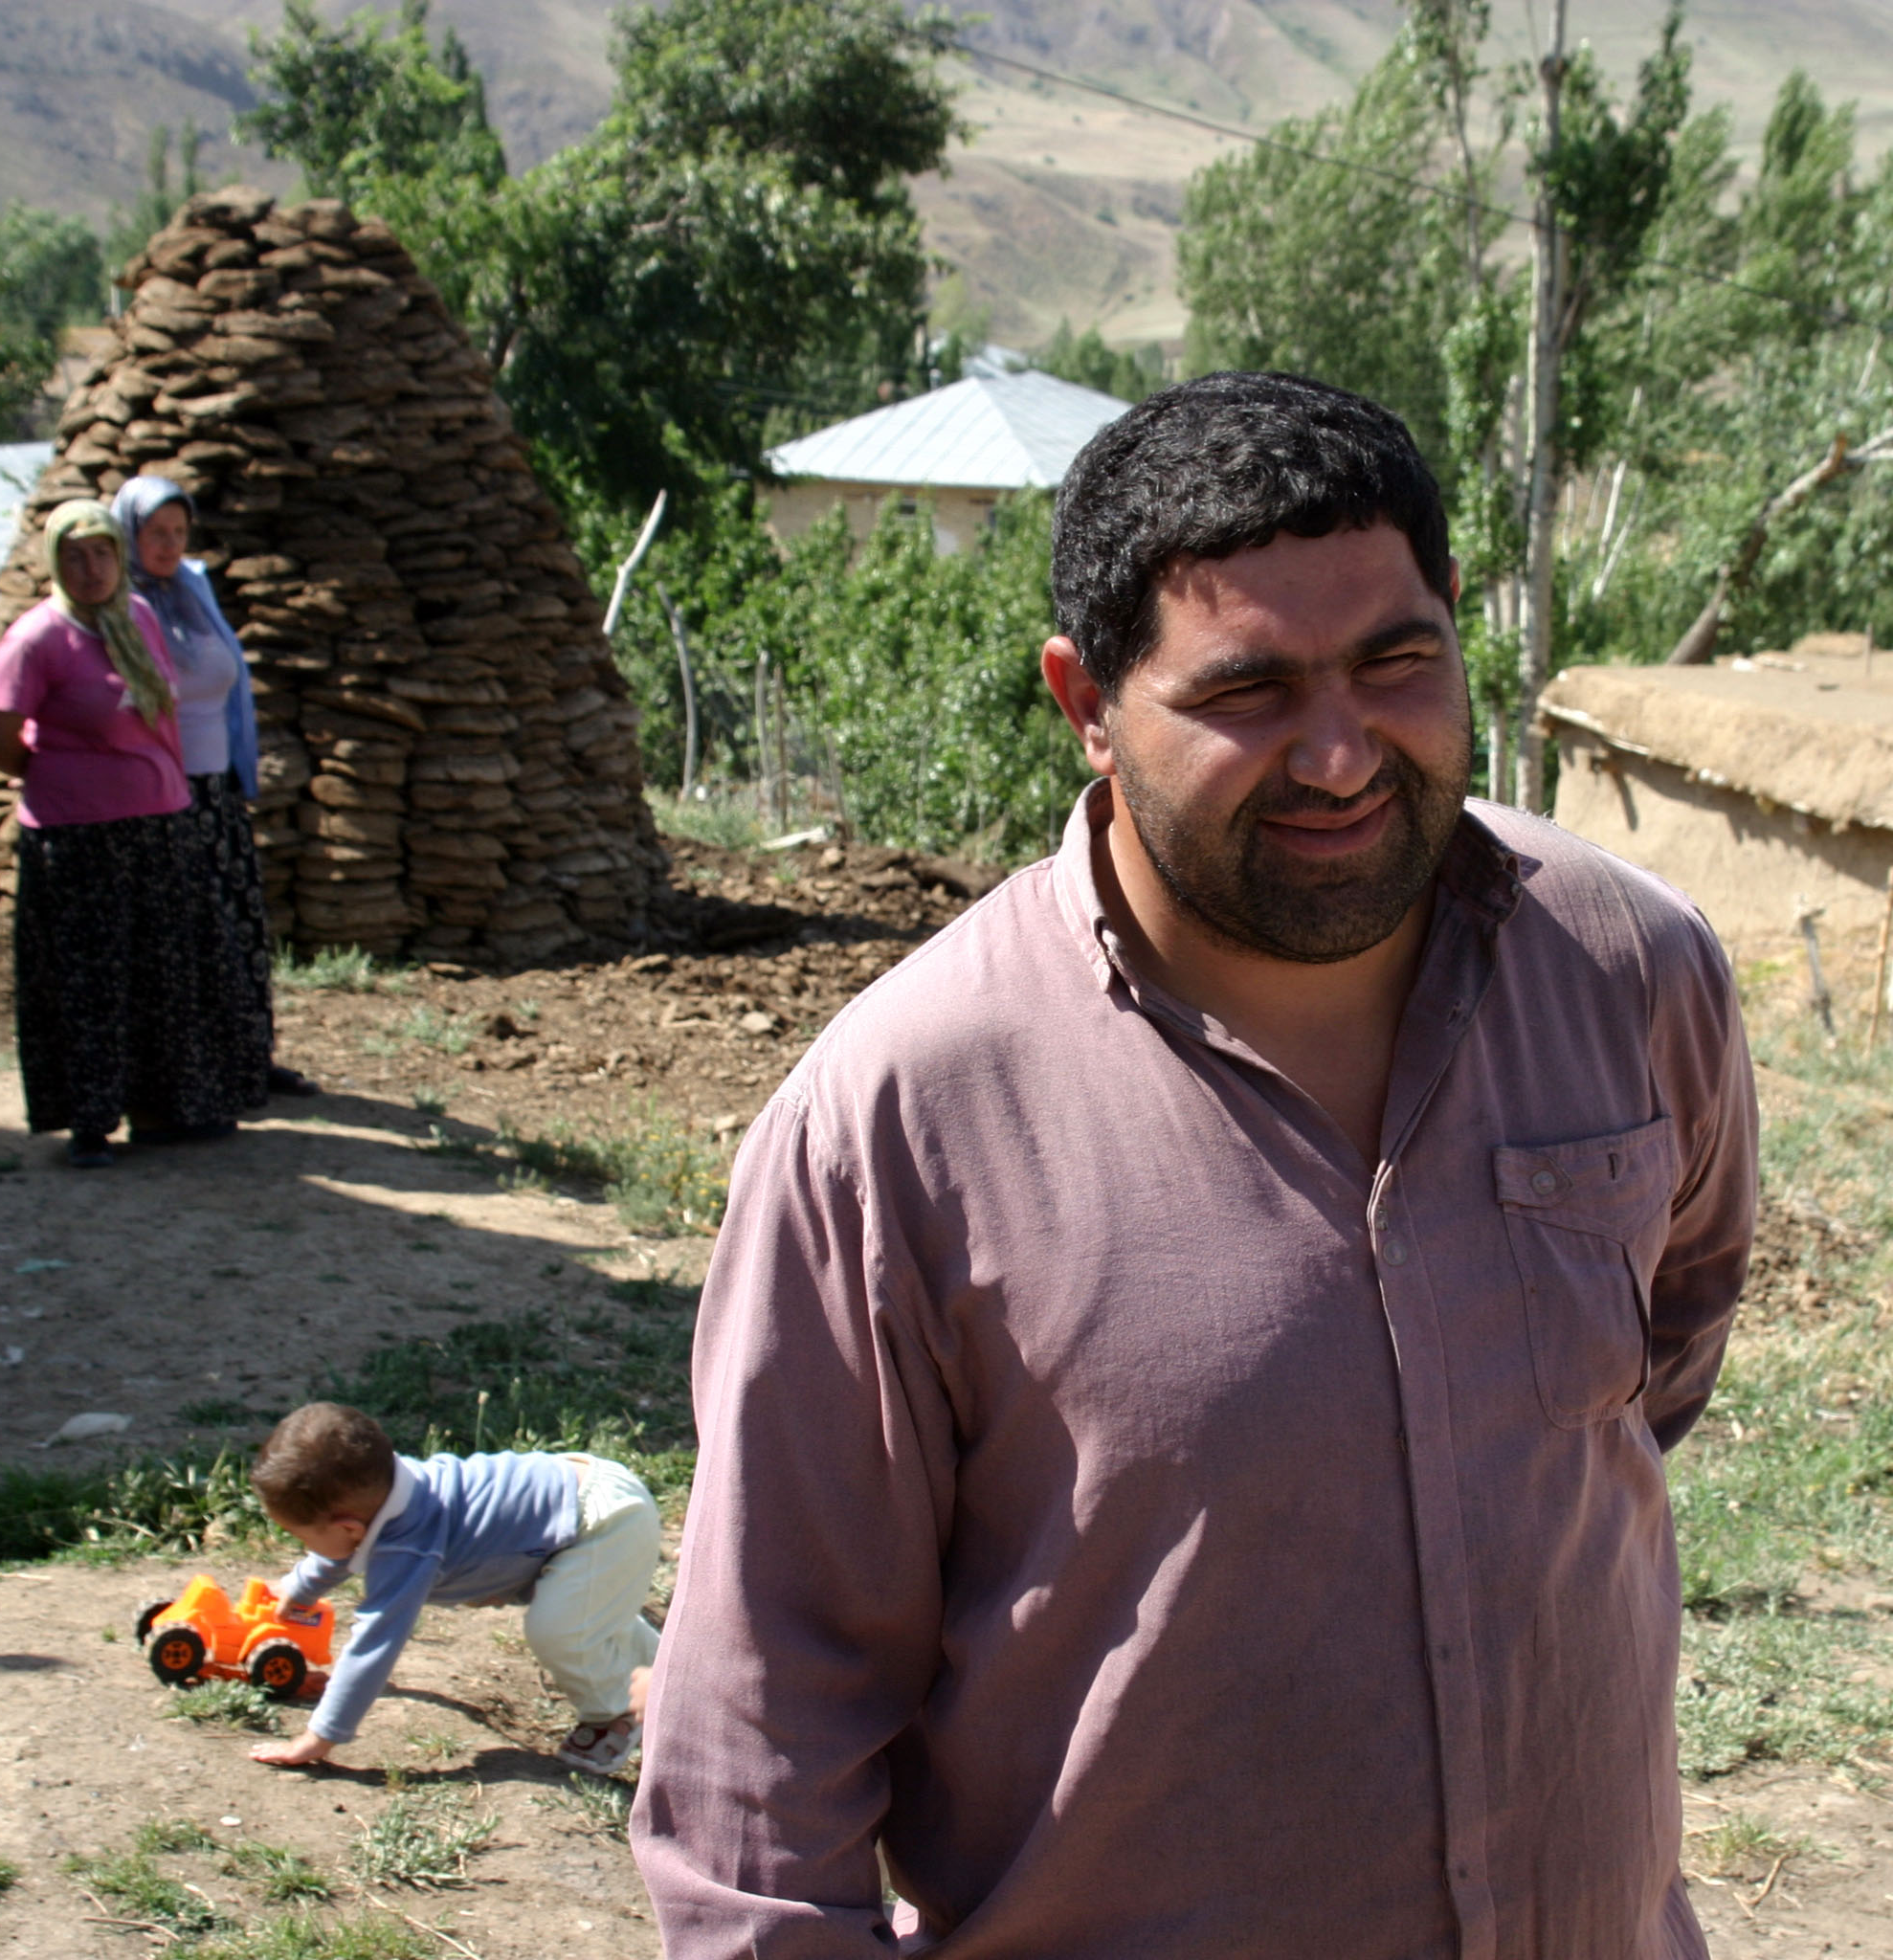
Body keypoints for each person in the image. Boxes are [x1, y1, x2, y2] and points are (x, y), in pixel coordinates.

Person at [632, 372, 1757, 1958]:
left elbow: (1659, 1352)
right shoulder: (897, 1118)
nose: (1337, 754)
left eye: (1395, 661)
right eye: (1246, 693)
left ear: (1452, 621)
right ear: (1081, 700)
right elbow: (763, 1743)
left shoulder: (1628, 970)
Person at [0, 501, 258, 1167]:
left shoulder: (137, 618)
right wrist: (63, 781)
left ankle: (166, 1110)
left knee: (164, 972)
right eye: (74, 555)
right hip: (78, 839)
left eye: (101, 552)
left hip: (156, 823)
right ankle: (90, 1120)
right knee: (92, 979)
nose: (90, 567)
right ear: (55, 562)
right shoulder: (36, 640)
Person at [247, 1403, 660, 1775]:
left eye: (300, 1536)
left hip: (605, 1521)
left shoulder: (406, 1545)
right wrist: (302, 1586)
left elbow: (375, 1641)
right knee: (585, 1612)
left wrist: (321, 1736)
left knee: (561, 1629)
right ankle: (667, 1666)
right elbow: (341, 1548)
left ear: (349, 1527)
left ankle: (615, 1712)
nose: (304, 1546)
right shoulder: (392, 1491)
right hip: (580, 1497)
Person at [111, 474, 317, 1102]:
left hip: (217, 787)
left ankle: (250, 1055)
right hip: (162, 793)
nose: (169, 545)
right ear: (128, 535)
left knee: (241, 926)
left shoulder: (194, 590)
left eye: (179, 532)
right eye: (155, 533)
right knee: (184, 932)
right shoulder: (118, 609)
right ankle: (195, 1070)